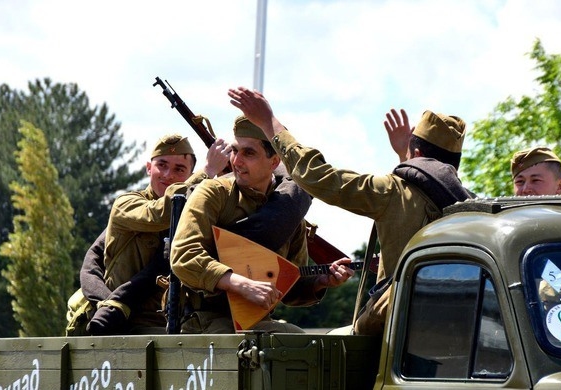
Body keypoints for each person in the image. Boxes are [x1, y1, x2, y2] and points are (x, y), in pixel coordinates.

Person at [227, 87, 474, 335]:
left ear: (417, 154)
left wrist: (269, 122)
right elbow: (424, 188)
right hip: (452, 327)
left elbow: (317, 177)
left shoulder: (391, 191)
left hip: (395, 327)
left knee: (331, 344)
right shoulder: (470, 208)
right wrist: (404, 155)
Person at [170, 115, 355, 334]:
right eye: (235, 150)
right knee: (285, 341)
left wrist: (321, 280)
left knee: (301, 341)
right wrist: (240, 284)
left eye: (249, 153)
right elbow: (183, 256)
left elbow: (288, 283)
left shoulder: (287, 214)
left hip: (253, 319)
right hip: (203, 319)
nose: (236, 161)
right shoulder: (213, 193)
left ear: (275, 162)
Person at [81, 134, 230, 335]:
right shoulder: (126, 204)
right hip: (126, 321)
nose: (168, 175)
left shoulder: (197, 215)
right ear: (149, 168)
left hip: (175, 323)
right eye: (162, 165)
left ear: (189, 174)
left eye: (179, 169)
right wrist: (208, 171)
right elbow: (162, 212)